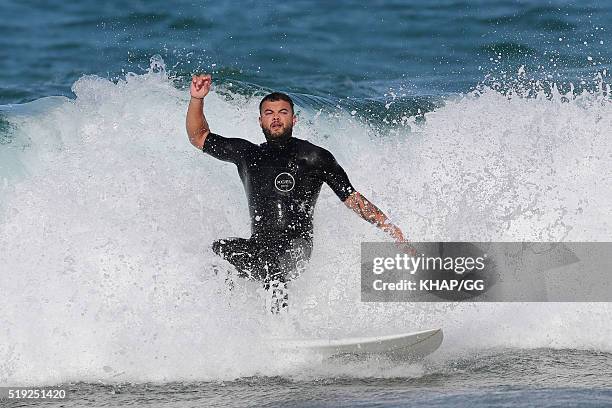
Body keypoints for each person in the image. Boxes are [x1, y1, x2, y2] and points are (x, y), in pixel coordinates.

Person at [186, 74, 409, 312]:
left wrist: (391, 229)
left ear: (294, 119)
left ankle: (281, 326)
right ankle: (225, 314)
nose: (276, 118)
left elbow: (352, 198)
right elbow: (198, 136)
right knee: (219, 250)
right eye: (269, 113)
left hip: (297, 249)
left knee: (270, 259)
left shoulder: (315, 157)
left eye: (282, 112)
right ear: (260, 121)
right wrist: (196, 99)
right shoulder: (247, 155)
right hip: (260, 246)